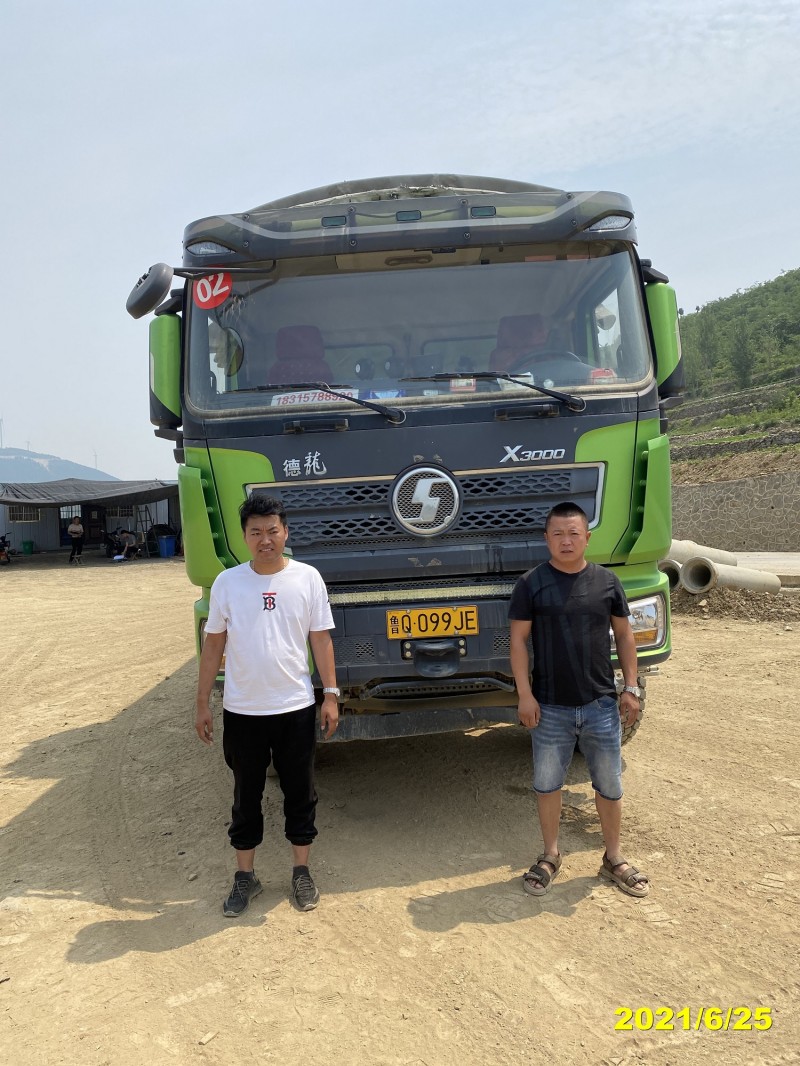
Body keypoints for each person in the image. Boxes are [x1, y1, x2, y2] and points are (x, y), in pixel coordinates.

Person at [195, 494, 339, 917]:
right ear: (244, 536)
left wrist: (331, 694)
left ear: (285, 532)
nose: (265, 540)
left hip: (295, 706)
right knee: (246, 796)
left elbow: (321, 639)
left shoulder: (307, 578)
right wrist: (202, 702)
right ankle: (245, 876)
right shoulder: (228, 583)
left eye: (272, 531)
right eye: (255, 532)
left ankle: (301, 872)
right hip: (243, 711)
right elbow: (213, 646)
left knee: (300, 792)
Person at [508, 501, 650, 898]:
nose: (566, 541)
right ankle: (550, 855)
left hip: (600, 704)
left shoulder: (607, 582)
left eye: (574, 533)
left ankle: (614, 858)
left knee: (609, 785)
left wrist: (631, 687)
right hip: (549, 707)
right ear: (546, 539)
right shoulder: (531, 584)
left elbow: (625, 636)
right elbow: (518, 642)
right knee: (547, 784)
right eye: (558, 533)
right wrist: (525, 696)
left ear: (587, 537)